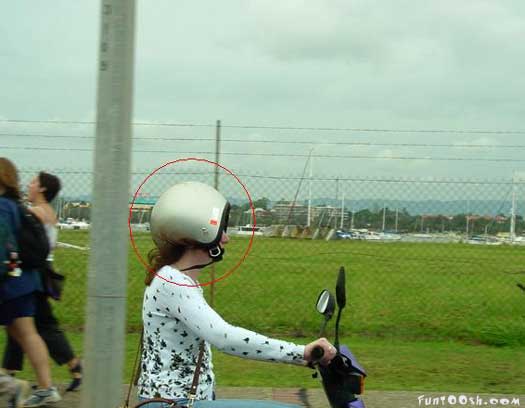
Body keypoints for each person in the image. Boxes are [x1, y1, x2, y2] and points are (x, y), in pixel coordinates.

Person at [137, 181, 337, 407]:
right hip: (173, 401)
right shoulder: (173, 283)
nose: (226, 238)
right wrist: (300, 353)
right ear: (196, 233)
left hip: (182, 400)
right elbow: (224, 337)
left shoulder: (175, 278)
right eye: (220, 231)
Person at [2, 171, 82, 392]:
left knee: (37, 324)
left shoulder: (36, 212)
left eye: (34, 182)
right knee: (23, 322)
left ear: (42, 188)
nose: (30, 185)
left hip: (34, 272)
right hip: (41, 271)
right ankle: (10, 371)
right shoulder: (49, 212)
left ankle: (72, 365)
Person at [0, 158, 61, 407]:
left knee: (26, 333)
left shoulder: (3, 207)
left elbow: (2, 247)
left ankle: (10, 385)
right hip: (25, 280)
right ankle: (45, 388)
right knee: (26, 333)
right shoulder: (16, 206)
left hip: (9, 282)